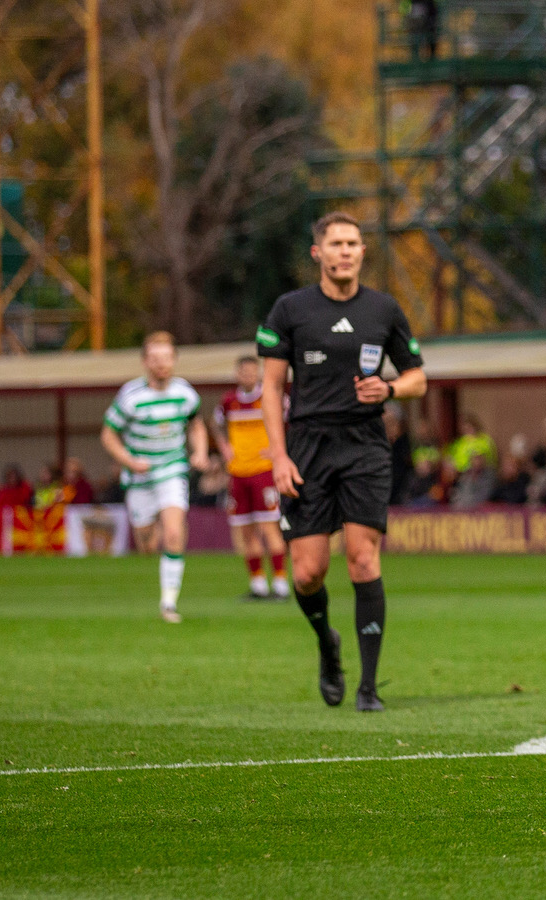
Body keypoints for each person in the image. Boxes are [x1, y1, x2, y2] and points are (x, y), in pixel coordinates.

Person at [258, 211, 427, 712]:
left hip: (365, 447)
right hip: (307, 448)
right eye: (336, 243)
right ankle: (327, 648)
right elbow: (269, 389)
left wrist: (392, 388)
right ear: (318, 253)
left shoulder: (384, 309)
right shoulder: (289, 309)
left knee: (362, 558)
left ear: (362, 251)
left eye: (353, 242)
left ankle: (368, 686)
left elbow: (419, 377)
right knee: (308, 572)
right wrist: (279, 457)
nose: (346, 251)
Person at [100, 332, 209, 624]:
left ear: (174, 360)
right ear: (145, 362)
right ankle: (152, 530)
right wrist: (129, 461)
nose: (161, 364)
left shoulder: (185, 392)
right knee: (147, 544)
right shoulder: (131, 396)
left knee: (174, 534)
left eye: (166, 358)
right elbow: (108, 434)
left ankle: (169, 603)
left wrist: (199, 451)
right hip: (140, 476)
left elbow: (196, 425)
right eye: (155, 359)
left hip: (172, 469)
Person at [212, 356, 290, 601]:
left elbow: (292, 420)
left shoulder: (269, 397)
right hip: (238, 472)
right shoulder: (229, 401)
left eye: (252, 371)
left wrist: (280, 449)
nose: (248, 376)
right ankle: (258, 584)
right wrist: (224, 446)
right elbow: (215, 424)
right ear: (237, 374)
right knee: (246, 530)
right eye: (243, 372)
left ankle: (280, 583)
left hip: (264, 471)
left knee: (269, 528)